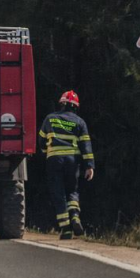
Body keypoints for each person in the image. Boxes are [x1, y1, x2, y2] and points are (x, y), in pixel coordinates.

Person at [39, 90, 95, 240]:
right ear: (75, 106)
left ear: (62, 103)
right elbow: (86, 145)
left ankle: (66, 228)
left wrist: (45, 151)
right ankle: (75, 216)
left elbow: (41, 140)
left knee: (58, 192)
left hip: (54, 161)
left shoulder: (50, 119)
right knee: (72, 190)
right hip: (73, 161)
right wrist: (89, 166)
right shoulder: (80, 122)